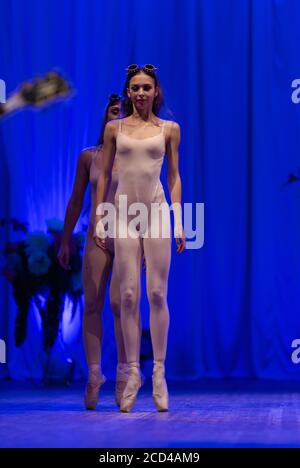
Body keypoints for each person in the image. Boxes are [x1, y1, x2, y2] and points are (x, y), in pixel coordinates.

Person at [95, 64, 186, 412]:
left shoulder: (169, 129)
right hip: (123, 214)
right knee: (129, 295)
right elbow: (104, 176)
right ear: (128, 92)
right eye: (136, 88)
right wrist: (101, 218)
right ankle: (133, 371)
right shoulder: (114, 129)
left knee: (157, 293)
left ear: (156, 92)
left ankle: (159, 372)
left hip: (156, 212)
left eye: (147, 88)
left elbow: (175, 177)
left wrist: (179, 222)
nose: (142, 93)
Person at [58, 94, 130, 410]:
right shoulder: (90, 156)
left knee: (122, 305)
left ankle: (126, 374)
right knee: (93, 304)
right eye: (114, 110)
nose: (118, 115)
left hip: (128, 232)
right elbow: (76, 201)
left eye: (124, 111)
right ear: (105, 117)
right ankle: (95, 373)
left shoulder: (139, 154)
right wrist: (64, 239)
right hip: (97, 235)